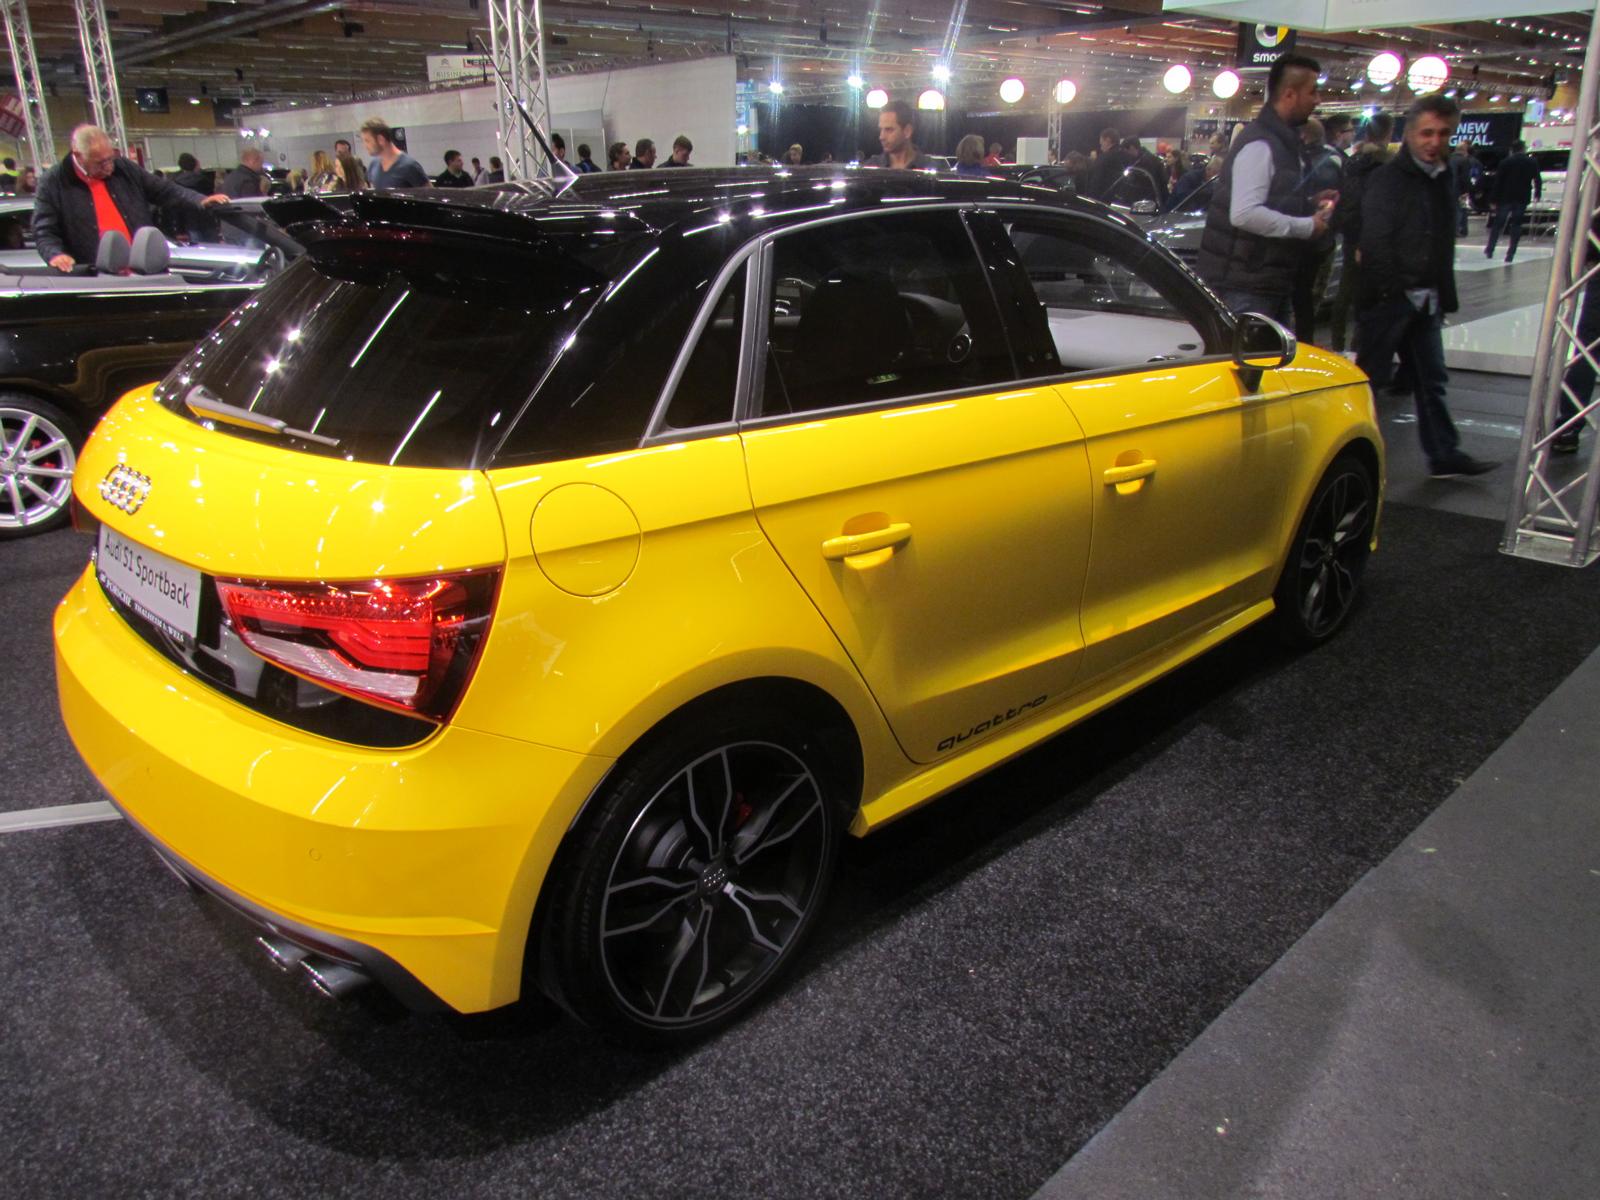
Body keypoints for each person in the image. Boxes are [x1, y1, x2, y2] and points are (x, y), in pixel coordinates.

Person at [1356, 94, 1495, 479]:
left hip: (1426, 299)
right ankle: (1356, 457)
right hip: (1389, 300)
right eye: (1427, 133)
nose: (1435, 142)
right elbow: (1376, 241)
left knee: (1432, 379)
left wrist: (1441, 294)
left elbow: (1441, 238)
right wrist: (1392, 289)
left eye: (1443, 134)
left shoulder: (1443, 176)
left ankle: (1444, 454)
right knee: (1369, 382)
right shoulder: (1388, 178)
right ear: (1410, 134)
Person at [1196, 53, 1332, 324]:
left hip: (1264, 282)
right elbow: (1245, 214)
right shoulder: (1261, 144)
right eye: (1312, 92)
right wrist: (1306, 226)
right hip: (1245, 287)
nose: (1317, 100)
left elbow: (1270, 199)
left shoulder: (1282, 142)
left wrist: (1307, 202)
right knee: (1247, 353)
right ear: (1289, 94)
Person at [32, 124, 229, 271]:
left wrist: (198, 199)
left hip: (144, 269)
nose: (109, 167)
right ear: (78, 155)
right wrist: (55, 255)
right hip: (95, 277)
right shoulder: (53, 182)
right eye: (100, 163)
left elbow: (164, 190)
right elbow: (44, 231)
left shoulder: (124, 168)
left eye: (110, 159)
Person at [1328, 111, 1394, 353]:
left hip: (1351, 233)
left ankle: (1338, 344)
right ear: (1389, 133)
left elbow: (1345, 199)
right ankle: (1361, 347)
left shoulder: (1352, 162)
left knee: (1346, 291)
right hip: (1374, 238)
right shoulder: (1387, 165)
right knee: (1372, 297)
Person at [1292, 116, 1345, 344]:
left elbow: (1321, 205)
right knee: (1305, 302)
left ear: (1303, 136)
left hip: (1311, 242)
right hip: (1316, 242)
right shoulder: (1331, 160)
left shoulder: (1320, 164)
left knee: (1303, 301)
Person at [1485, 140, 1542, 263]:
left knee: (1498, 223)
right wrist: (1537, 193)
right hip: (1522, 197)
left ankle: (1490, 248)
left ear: (1512, 150)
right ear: (1523, 149)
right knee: (1517, 224)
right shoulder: (1532, 162)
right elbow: (1537, 179)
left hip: (1505, 197)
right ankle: (1511, 253)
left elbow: (1498, 182)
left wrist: (1493, 199)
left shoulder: (1505, 162)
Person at [865, 100, 939, 170]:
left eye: (889, 130)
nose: (881, 137)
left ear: (907, 131)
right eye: (881, 130)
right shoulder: (870, 167)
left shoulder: (931, 168)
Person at [360, 117, 429, 189]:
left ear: (381, 139)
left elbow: (428, 193)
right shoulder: (373, 165)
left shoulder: (409, 166)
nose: (365, 146)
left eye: (367, 141)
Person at [1086, 128, 1131, 199]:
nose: (1101, 148)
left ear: (1108, 140)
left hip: (1104, 199)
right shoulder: (1128, 156)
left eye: (1101, 144)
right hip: (1124, 199)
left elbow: (1096, 182)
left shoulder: (1104, 158)